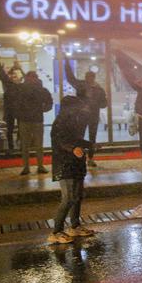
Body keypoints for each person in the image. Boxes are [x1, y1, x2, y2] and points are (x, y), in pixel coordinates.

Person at [48, 96, 96, 243]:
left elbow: (76, 139)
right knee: (68, 198)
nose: (80, 110)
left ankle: (74, 226)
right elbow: (61, 141)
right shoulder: (60, 123)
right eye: (77, 107)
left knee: (77, 196)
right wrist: (73, 148)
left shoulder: (73, 121)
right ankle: (56, 232)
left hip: (76, 163)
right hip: (65, 164)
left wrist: (90, 144)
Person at [1, 67, 53, 176]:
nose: (31, 79)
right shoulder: (40, 89)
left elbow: (48, 102)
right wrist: (43, 109)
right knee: (36, 144)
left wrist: (19, 113)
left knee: (28, 145)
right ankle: (37, 166)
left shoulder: (22, 89)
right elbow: (49, 102)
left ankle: (28, 167)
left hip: (27, 120)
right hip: (34, 119)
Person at [64, 61, 108, 166]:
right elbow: (70, 78)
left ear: (92, 78)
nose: (88, 80)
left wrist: (100, 102)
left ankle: (90, 158)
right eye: (87, 78)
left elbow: (104, 104)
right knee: (80, 137)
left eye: (90, 78)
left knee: (91, 137)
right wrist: (66, 64)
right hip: (82, 116)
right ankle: (80, 158)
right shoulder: (81, 85)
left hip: (92, 116)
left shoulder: (98, 89)